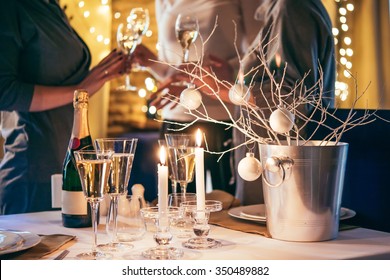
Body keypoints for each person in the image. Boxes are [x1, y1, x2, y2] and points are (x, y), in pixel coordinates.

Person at [185, 0, 336, 205]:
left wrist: (222, 91)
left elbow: (290, 97)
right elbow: (280, 81)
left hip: (281, 168)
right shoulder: (285, 8)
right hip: (272, 163)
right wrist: (233, 80)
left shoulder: (291, 7)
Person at [0, 0, 127, 214]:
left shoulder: (52, 5)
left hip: (69, 167)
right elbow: (4, 92)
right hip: (32, 173)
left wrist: (98, 77)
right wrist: (79, 89)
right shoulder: (11, 6)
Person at [132, 0, 260, 195]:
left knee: (225, 201)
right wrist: (152, 63)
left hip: (220, 116)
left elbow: (258, 51)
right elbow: (174, 69)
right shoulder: (163, 2)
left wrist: (232, 73)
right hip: (176, 117)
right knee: (175, 201)